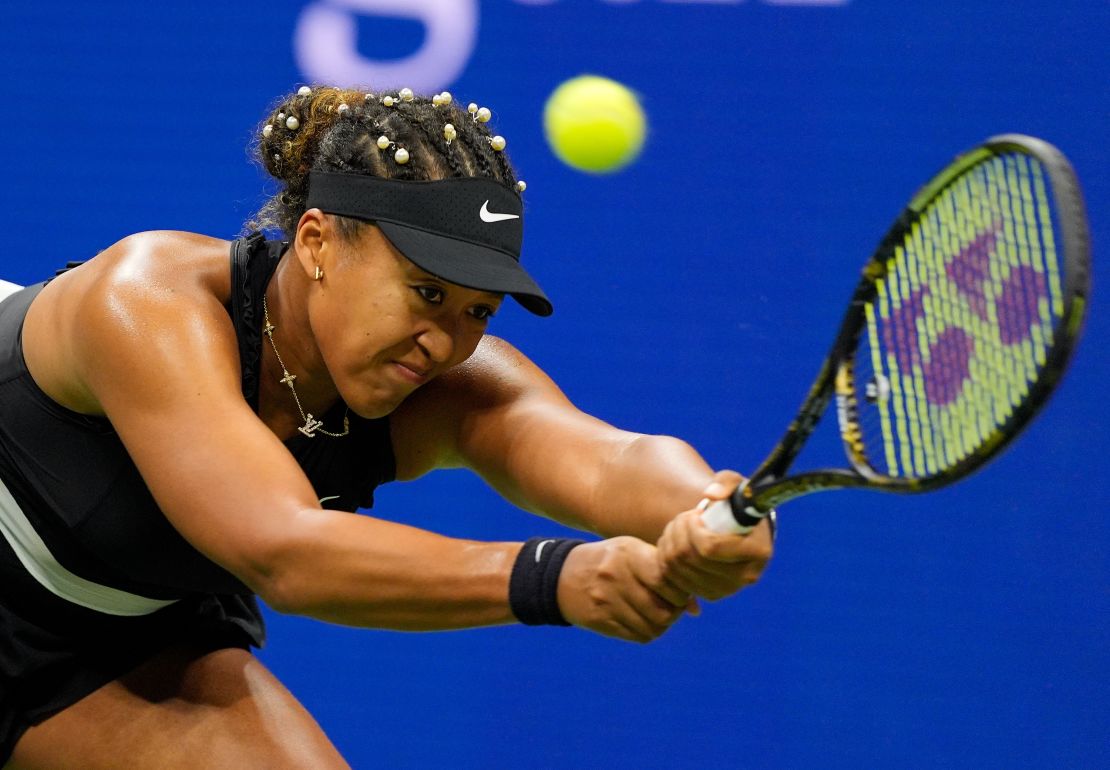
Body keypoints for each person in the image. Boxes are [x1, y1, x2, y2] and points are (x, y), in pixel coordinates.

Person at [0, 86, 773, 769]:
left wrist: (705, 509)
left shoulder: (443, 386)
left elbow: (607, 463)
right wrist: (552, 578)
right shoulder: (147, 300)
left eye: (476, 312)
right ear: (317, 243)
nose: (444, 341)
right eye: (426, 293)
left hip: (121, 641)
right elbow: (284, 551)